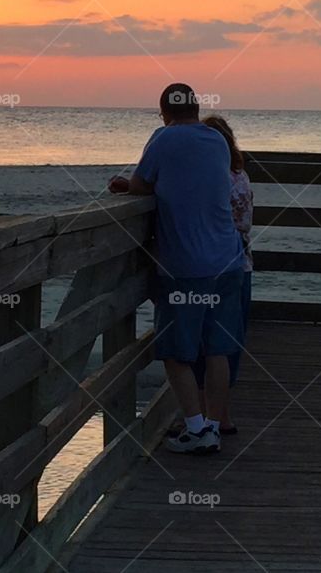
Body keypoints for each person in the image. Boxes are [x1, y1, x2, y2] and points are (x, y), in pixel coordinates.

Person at [108, 84, 246, 454]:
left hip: (185, 264)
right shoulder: (217, 141)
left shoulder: (163, 138)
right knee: (217, 349)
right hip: (228, 259)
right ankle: (214, 426)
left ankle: (196, 428)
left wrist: (125, 188)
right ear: (197, 109)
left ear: (164, 112)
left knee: (174, 352)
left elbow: (140, 186)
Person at [188, 115, 253, 435]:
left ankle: (202, 414)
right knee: (229, 342)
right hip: (241, 265)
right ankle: (222, 415)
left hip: (212, 265)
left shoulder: (212, 179)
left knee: (204, 342)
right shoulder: (241, 176)